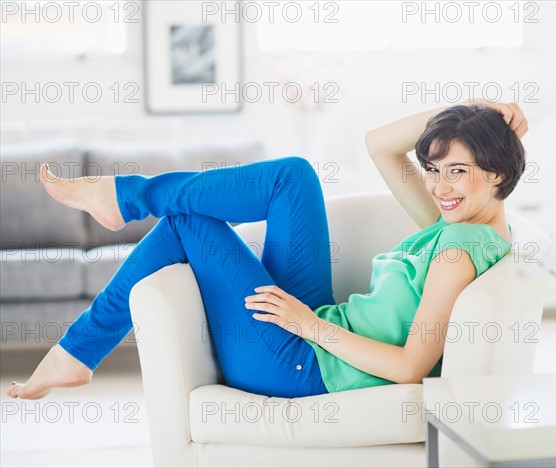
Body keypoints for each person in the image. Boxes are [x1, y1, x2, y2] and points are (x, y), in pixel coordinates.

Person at [6, 98, 527, 400]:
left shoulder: (458, 252)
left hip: (301, 363)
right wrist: (478, 113)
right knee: (293, 176)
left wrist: (307, 324)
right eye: (435, 171)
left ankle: (80, 341)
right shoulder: (460, 221)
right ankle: (121, 203)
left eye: (457, 171)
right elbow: (377, 143)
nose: (440, 187)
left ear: (498, 173)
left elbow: (412, 366)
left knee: (186, 221)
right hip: (316, 330)